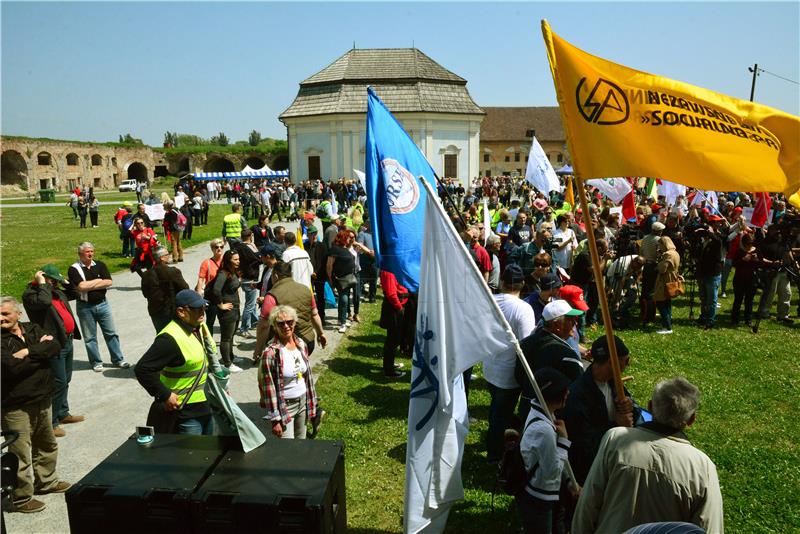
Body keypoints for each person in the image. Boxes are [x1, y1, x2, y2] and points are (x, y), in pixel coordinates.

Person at [573, 378, 724, 534]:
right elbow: (709, 527)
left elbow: (589, 504)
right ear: (691, 420)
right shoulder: (703, 467)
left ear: (650, 406)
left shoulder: (616, 439)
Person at [1, 296, 71, 513]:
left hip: (42, 398)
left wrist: (28, 352)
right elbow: (11, 367)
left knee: (47, 444)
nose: (1, 318)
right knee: (20, 453)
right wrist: (41, 353)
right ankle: (21, 498)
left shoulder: (31, 328)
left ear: (18, 314)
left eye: (5, 314)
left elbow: (55, 346)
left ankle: (47, 482)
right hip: (15, 406)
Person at [134, 290, 215, 436]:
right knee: (190, 457)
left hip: (205, 407)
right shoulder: (169, 339)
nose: (202, 312)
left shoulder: (198, 326)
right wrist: (164, 395)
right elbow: (142, 369)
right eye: (197, 309)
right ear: (181, 312)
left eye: (204, 307)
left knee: (208, 454)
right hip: (186, 414)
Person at [563, 335, 639, 485]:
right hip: (590, 472)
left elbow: (632, 415)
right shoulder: (578, 395)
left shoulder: (614, 382)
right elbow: (583, 444)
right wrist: (615, 425)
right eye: (626, 361)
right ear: (612, 362)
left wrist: (631, 407)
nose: (627, 366)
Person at [22, 265, 84, 438]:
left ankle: (63, 413)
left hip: (68, 340)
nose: (54, 283)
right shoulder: (31, 294)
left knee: (66, 379)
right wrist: (42, 283)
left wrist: (65, 281)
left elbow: (77, 293)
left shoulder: (56, 291)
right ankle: (51, 422)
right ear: (41, 277)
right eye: (52, 280)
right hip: (54, 343)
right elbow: (44, 302)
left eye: (56, 281)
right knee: (59, 382)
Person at [483, 264, 537, 463]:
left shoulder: (489, 302)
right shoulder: (523, 309)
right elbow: (527, 342)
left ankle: (494, 444)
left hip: (490, 367)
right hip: (508, 372)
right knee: (500, 416)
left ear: (503, 282)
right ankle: (494, 454)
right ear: (522, 284)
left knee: (497, 410)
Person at [516, 367, 574, 534]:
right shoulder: (544, 430)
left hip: (544, 493)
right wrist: (563, 441)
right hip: (539, 498)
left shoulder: (542, 412)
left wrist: (569, 483)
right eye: (564, 390)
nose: (568, 393)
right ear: (554, 395)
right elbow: (551, 471)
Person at [516, 299, 584, 423]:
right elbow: (579, 388)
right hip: (553, 415)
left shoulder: (525, 343)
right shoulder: (567, 355)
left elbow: (518, 376)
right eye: (571, 319)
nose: (576, 323)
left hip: (526, 407)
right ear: (557, 325)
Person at [67, 242, 130, 372]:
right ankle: (96, 361)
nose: (90, 254)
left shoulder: (100, 265)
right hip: (85, 307)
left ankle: (118, 359)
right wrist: (98, 281)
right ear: (80, 254)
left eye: (92, 251)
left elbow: (109, 282)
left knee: (111, 333)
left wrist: (91, 284)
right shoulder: (74, 269)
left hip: (103, 304)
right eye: (87, 252)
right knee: (90, 337)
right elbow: (81, 287)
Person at [258, 305, 319, 439]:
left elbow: (307, 377)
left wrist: (312, 403)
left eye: (289, 322)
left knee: (301, 444)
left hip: (303, 402)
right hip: (285, 405)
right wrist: (275, 419)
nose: (286, 326)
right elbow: (269, 389)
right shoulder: (270, 353)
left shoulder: (301, 344)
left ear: (295, 322)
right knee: (287, 450)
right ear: (274, 326)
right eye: (281, 323)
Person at [254, 261, 327, 360]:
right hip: (308, 342)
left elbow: (263, 326)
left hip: (285, 345)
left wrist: (258, 349)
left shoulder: (272, 295)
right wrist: (320, 333)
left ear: (275, 276)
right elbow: (314, 314)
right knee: (300, 370)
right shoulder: (306, 289)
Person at [141, 247, 190, 331]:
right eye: (167, 254)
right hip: (172, 311)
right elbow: (185, 289)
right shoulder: (173, 271)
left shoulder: (146, 275)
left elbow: (145, 294)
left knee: (162, 336)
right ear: (162, 258)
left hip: (155, 311)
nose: (169, 256)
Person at [210, 250, 243, 373]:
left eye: (238, 259)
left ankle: (231, 357)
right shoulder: (223, 273)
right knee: (226, 338)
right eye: (235, 259)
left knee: (232, 335)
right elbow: (216, 290)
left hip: (235, 308)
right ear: (228, 260)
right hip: (227, 311)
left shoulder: (231, 272)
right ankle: (227, 363)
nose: (238, 261)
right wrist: (221, 305)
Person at [379, 269, 412, 379]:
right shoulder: (388, 270)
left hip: (398, 306)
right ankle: (389, 371)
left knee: (395, 338)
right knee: (392, 340)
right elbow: (391, 293)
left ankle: (390, 364)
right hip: (394, 308)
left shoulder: (392, 266)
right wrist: (399, 307)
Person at [232, 228, 262, 337]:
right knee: (250, 305)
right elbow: (258, 260)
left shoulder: (238, 247)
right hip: (250, 279)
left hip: (243, 277)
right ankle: (244, 328)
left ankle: (254, 321)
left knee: (252, 302)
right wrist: (257, 251)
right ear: (251, 236)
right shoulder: (247, 248)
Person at [696, 215, 725, 329]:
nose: (718, 224)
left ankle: (710, 320)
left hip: (713, 273)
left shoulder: (718, 237)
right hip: (702, 271)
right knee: (703, 297)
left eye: (718, 223)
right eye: (715, 223)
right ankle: (703, 316)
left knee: (711, 299)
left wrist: (711, 233)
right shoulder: (703, 238)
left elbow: (719, 243)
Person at [327, 229, 358, 334]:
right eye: (348, 237)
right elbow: (329, 266)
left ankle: (341, 319)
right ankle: (343, 323)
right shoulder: (335, 249)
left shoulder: (345, 248)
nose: (350, 238)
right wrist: (330, 279)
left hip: (348, 279)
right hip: (340, 279)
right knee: (344, 300)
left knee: (343, 299)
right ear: (343, 237)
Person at [195, 238, 225, 335]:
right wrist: (199, 294)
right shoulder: (206, 263)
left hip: (224, 295)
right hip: (211, 296)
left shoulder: (226, 261)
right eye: (216, 247)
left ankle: (226, 340)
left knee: (224, 320)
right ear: (212, 249)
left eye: (221, 247)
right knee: (210, 320)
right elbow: (201, 279)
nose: (219, 249)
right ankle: (209, 340)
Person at [654, 236, 681, 334]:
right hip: (672, 278)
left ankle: (667, 327)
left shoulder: (668, 254)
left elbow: (662, 269)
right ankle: (667, 322)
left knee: (661, 303)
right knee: (667, 302)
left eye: (660, 245)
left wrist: (658, 264)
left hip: (665, 280)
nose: (659, 247)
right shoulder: (675, 253)